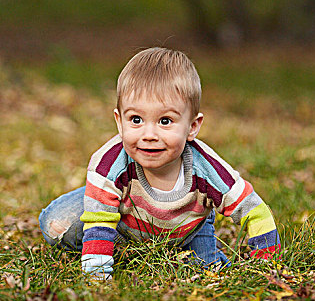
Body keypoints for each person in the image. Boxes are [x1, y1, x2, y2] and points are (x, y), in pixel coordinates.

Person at [39, 47, 280, 280]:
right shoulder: (109, 165)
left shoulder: (206, 169)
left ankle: (180, 241)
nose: (149, 134)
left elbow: (254, 211)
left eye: (165, 121)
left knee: (208, 269)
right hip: (121, 216)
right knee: (56, 224)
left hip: (187, 225)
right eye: (136, 119)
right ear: (119, 122)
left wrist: (268, 265)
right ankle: (122, 243)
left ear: (192, 127)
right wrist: (98, 274)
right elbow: (99, 220)